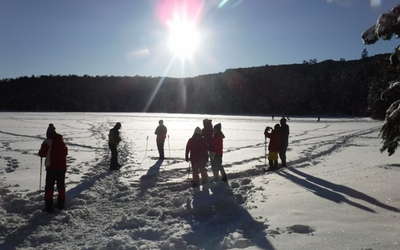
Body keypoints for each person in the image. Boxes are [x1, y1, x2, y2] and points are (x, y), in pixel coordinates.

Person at [38, 124, 68, 212]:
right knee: (61, 186)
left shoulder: (47, 142)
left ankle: (49, 206)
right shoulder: (61, 140)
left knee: (49, 187)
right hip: (62, 168)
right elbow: (65, 152)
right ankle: (61, 204)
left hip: (51, 168)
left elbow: (42, 154)